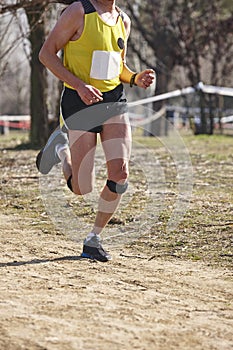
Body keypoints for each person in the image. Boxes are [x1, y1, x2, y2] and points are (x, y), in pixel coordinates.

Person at [36, 0, 155, 262]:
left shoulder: (124, 20)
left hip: (114, 103)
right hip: (79, 103)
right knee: (81, 188)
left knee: (120, 174)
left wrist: (135, 78)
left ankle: (93, 238)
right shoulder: (78, 12)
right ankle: (60, 149)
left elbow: (117, 67)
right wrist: (79, 86)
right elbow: (46, 54)